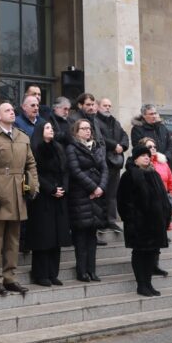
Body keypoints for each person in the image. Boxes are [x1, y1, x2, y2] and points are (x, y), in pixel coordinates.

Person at [0, 102, 39, 296]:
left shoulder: (22, 136)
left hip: (18, 193)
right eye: (7, 110)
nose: (12, 112)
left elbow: (31, 163)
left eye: (13, 110)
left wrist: (33, 186)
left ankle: (10, 276)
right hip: (0, 192)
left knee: (13, 239)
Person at [118, 146, 170, 297]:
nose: (146, 157)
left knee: (152, 253)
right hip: (139, 224)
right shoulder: (129, 175)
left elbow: (163, 198)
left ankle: (148, 283)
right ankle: (141, 284)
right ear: (135, 159)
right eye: (142, 155)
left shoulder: (154, 174)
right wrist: (132, 219)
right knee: (140, 253)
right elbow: (123, 201)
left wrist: (166, 216)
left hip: (156, 223)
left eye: (148, 155)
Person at [27, 122, 71, 286]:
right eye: (47, 128)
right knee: (43, 237)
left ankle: (53, 273)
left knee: (56, 237)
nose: (51, 130)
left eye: (52, 128)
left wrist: (63, 188)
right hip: (42, 198)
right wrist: (51, 189)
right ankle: (40, 274)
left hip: (59, 198)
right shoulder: (35, 149)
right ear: (40, 131)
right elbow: (34, 173)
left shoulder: (58, 148)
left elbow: (65, 170)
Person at [65, 119, 109, 283]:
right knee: (81, 237)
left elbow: (104, 169)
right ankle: (82, 271)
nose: (87, 131)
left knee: (92, 236)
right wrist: (92, 188)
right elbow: (75, 171)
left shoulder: (97, 148)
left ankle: (92, 270)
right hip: (80, 195)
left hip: (96, 196)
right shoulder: (72, 148)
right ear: (76, 132)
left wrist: (101, 188)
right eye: (83, 129)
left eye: (89, 128)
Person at [140, 136, 172, 276]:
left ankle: (155, 264)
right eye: (149, 147)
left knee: (160, 237)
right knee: (150, 237)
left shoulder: (162, 162)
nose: (153, 149)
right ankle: (146, 266)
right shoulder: (142, 164)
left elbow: (170, 182)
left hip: (163, 205)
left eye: (154, 146)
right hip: (149, 206)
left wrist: (171, 199)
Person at [96, 98, 129, 232]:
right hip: (102, 162)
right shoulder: (95, 121)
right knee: (101, 193)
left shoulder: (115, 122)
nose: (108, 108)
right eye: (105, 105)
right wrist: (114, 145)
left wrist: (123, 146)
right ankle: (101, 221)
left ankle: (111, 220)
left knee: (112, 194)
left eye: (109, 105)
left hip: (115, 163)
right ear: (98, 106)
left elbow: (124, 135)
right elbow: (100, 138)